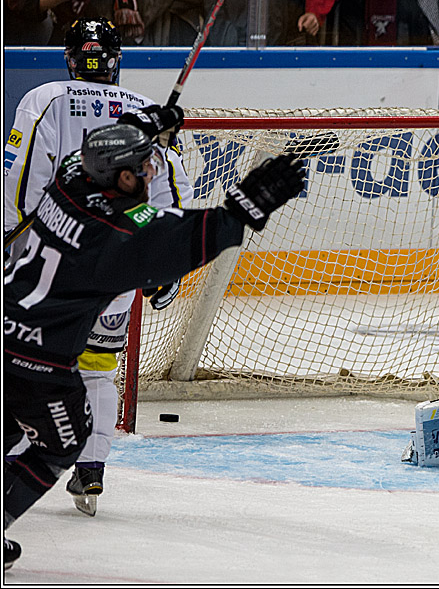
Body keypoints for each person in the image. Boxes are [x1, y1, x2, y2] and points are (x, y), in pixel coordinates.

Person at [3, 115, 306, 570]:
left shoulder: (69, 179)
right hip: (38, 357)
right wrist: (243, 210)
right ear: (121, 176)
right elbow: (181, 236)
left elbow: (97, 160)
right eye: (145, 166)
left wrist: (138, 125)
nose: (152, 172)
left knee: (10, 423)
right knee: (62, 441)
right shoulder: (115, 234)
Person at [3, 18, 195, 517]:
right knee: (96, 371)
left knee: (21, 365)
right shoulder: (142, 116)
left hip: (49, 267)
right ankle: (91, 473)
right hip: (114, 273)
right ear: (116, 61)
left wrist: (9, 241)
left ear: (70, 57)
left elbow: (21, 182)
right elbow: (169, 197)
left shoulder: (42, 98)